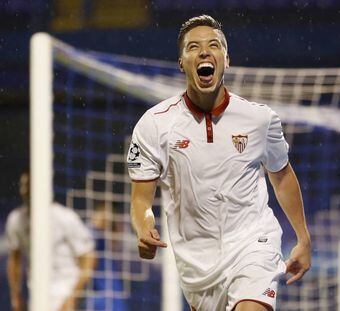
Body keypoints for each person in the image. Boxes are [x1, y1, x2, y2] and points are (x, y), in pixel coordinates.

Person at [127, 15, 311, 311]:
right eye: (193, 47)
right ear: (182, 63)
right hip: (197, 263)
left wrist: (303, 237)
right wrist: (143, 227)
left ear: (227, 60)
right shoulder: (154, 125)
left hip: (253, 243)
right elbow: (141, 199)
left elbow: (282, 175)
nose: (203, 52)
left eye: (214, 45)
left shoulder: (259, 119)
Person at [6, 171, 96, 311]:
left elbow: (89, 257)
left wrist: (73, 296)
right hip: (37, 293)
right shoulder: (16, 220)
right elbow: (15, 259)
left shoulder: (65, 217)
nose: (25, 190)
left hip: (66, 289)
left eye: (29, 185)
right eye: (23, 185)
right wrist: (15, 295)